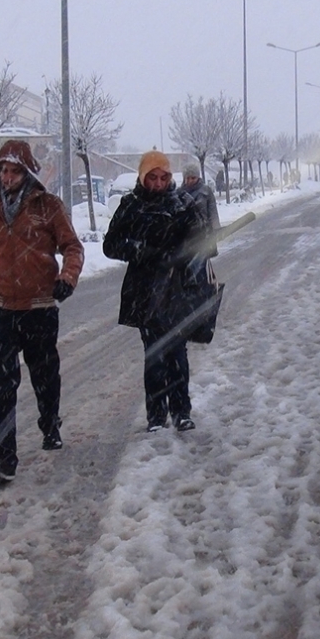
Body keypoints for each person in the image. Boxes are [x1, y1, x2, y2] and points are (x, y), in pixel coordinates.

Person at [0, 140, 84, 485]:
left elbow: (72, 247)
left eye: (14, 170)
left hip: (39, 307)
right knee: (3, 384)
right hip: (2, 307)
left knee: (44, 376)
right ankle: (3, 458)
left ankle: (50, 423)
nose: (7, 177)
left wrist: (67, 277)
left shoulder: (47, 206)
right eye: (3, 170)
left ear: (28, 172)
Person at [104, 150, 209, 433]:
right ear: (142, 177)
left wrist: (183, 255)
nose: (159, 182)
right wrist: (142, 251)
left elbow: (202, 244)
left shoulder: (183, 204)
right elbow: (111, 245)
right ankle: (156, 416)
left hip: (176, 290)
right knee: (154, 353)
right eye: (152, 177)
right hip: (145, 291)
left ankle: (181, 412)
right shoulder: (131, 205)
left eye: (163, 176)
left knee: (176, 351)